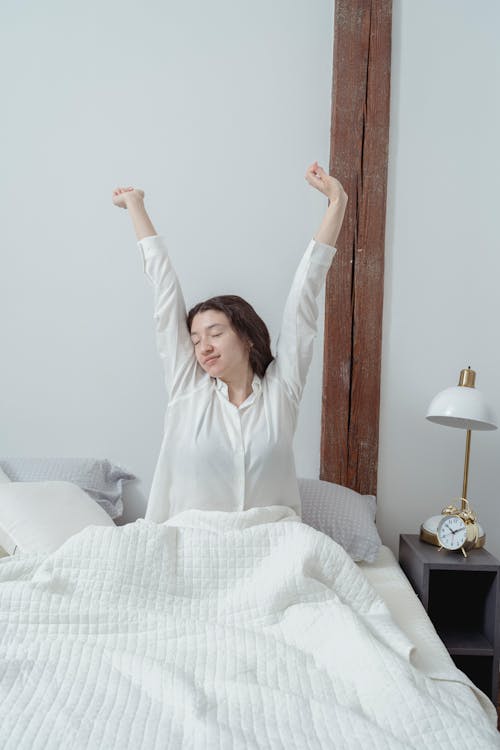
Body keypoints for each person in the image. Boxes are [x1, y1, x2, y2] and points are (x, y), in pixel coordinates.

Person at [112, 162, 347, 523]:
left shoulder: (280, 395)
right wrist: (135, 206)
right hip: (192, 547)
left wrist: (337, 202)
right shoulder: (188, 390)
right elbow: (164, 292)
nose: (203, 345)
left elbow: (305, 298)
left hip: (271, 549)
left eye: (215, 333)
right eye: (195, 339)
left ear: (247, 338)